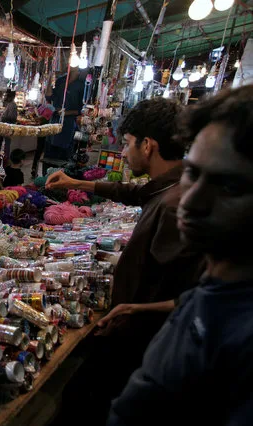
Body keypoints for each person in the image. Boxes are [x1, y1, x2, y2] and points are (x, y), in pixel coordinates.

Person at [46, 97, 204, 424]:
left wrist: (135, 310)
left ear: (148, 146)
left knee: (83, 404)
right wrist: (76, 182)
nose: (123, 152)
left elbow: (198, 296)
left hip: (143, 343)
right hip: (132, 332)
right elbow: (131, 193)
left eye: (128, 143)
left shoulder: (175, 206)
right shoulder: (172, 184)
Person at [108, 85, 253, 426]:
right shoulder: (212, 292)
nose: (192, 201)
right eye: (192, 173)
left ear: (148, 145)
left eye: (230, 187)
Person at [43, 67, 85, 170]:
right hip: (54, 121)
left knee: (63, 156)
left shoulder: (81, 85)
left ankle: (60, 178)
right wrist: (49, 77)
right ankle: (45, 178)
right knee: (49, 154)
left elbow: (83, 109)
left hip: (68, 124)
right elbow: (48, 96)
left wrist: (67, 113)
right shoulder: (61, 80)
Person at [0, 90, 18, 161]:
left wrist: (3, 117)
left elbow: (12, 117)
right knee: (5, 143)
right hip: (7, 126)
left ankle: (6, 158)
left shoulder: (12, 105)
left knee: (7, 143)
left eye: (7, 96)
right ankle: (5, 157)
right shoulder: (10, 104)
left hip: (8, 126)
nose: (6, 97)